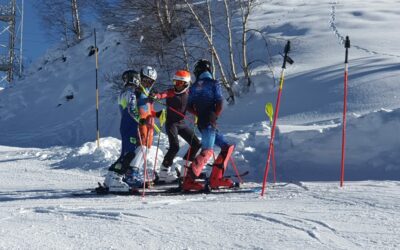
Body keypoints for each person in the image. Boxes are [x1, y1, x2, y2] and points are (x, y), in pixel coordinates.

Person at [183, 59, 235, 191]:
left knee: (226, 147)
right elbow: (219, 102)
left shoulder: (194, 86)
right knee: (207, 150)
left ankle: (215, 179)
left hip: (202, 120)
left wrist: (199, 113)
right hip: (210, 120)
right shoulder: (213, 83)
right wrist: (214, 115)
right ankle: (189, 181)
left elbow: (188, 106)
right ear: (209, 70)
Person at [153, 70, 202, 183]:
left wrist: (198, 114)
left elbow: (189, 106)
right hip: (172, 123)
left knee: (196, 144)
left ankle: (185, 171)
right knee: (174, 146)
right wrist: (155, 96)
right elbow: (162, 94)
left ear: (186, 84)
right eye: (175, 82)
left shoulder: (188, 94)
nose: (177, 85)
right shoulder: (171, 92)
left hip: (182, 124)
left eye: (179, 83)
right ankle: (163, 173)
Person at [103, 70, 142, 192]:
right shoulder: (130, 93)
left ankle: (110, 177)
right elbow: (131, 109)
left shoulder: (124, 92)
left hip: (126, 124)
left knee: (126, 153)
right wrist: (141, 120)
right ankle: (116, 179)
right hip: (130, 124)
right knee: (129, 154)